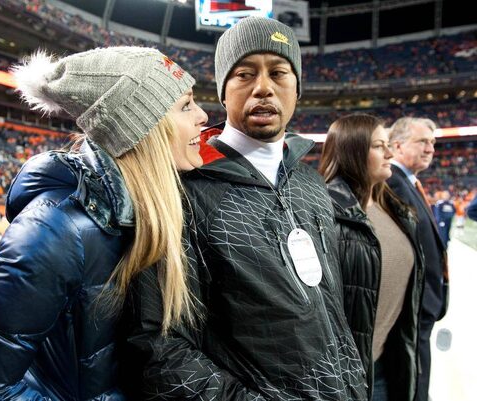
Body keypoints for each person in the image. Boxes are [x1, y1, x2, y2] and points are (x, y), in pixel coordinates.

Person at [0, 46, 208, 400]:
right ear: (142, 129)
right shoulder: (54, 230)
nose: (203, 116)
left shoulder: (155, 208)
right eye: (186, 106)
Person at [123, 17, 367, 400]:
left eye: (279, 73)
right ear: (223, 92)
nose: (263, 87)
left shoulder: (311, 183)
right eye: (244, 74)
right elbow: (160, 348)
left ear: (297, 88)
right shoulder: (182, 191)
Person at [319, 114, 424, 401]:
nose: (390, 153)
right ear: (352, 151)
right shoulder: (324, 213)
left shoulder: (393, 207)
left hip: (387, 366)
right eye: (379, 146)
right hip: (347, 379)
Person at [387, 116, 447, 401]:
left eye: (432, 142)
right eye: (423, 141)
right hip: (414, 306)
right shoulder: (393, 184)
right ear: (398, 146)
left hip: (422, 304)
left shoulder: (407, 182)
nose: (430, 148)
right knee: (414, 383)